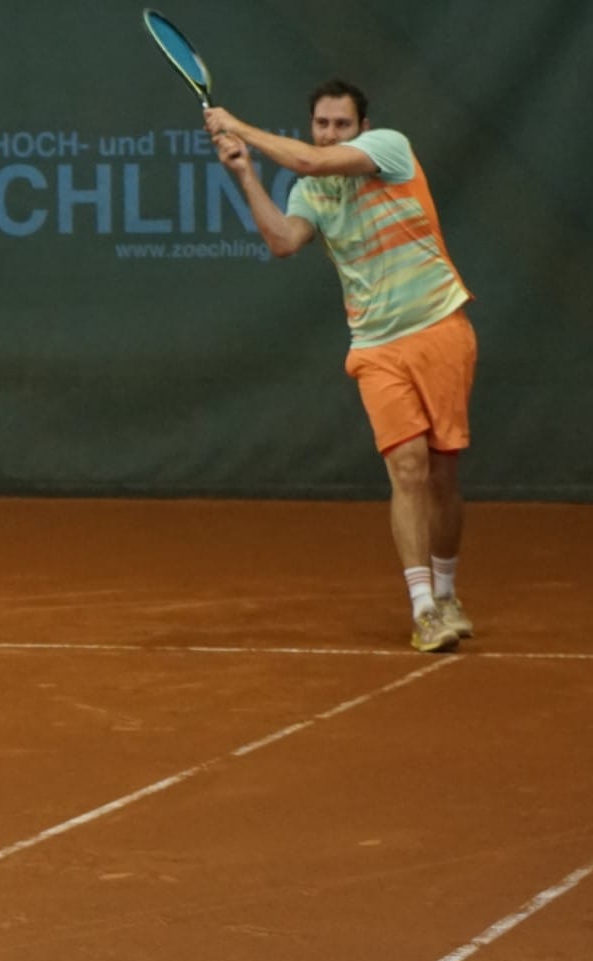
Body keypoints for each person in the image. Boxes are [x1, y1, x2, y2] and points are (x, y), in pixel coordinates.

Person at [203, 83, 478, 653]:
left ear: (363, 129)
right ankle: (425, 609)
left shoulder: (390, 148)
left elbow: (309, 160)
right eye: (321, 124)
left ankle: (448, 590)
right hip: (375, 347)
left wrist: (238, 124)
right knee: (407, 468)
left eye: (341, 125)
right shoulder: (310, 192)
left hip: (439, 328)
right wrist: (245, 173)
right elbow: (284, 241)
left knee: (442, 475)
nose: (329, 135)